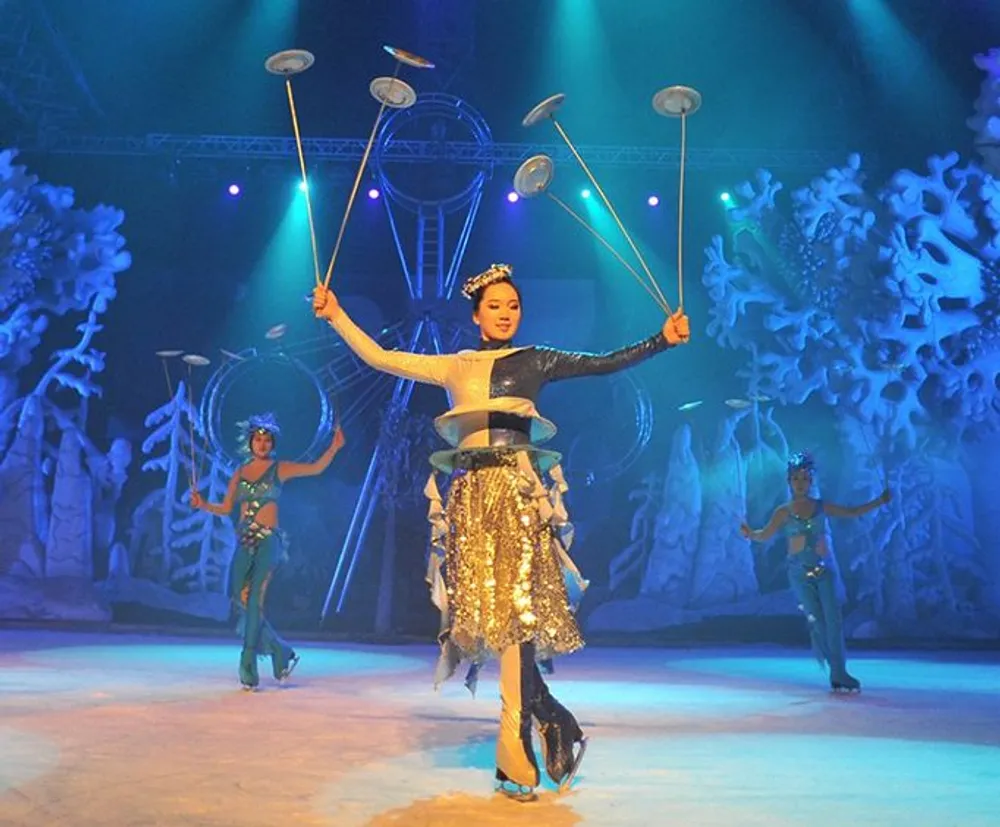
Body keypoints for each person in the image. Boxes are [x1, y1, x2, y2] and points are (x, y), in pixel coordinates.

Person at [312, 263, 689, 799]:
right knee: (493, 625)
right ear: (476, 314)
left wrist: (662, 341)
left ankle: (515, 755)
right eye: (495, 306)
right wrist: (336, 316)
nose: (506, 313)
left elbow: (604, 363)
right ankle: (555, 723)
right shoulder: (454, 365)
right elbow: (380, 357)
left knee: (516, 622)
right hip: (469, 503)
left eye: (513, 306)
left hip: (517, 498)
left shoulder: (536, 360)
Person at [191, 413, 345, 690]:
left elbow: (316, 468)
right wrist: (203, 503)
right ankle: (280, 650)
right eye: (257, 439)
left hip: (268, 542)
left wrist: (334, 447)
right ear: (250, 442)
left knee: (254, 603)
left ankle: (247, 663)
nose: (262, 444)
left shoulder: (280, 469)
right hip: (244, 542)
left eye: (266, 440)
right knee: (240, 600)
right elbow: (227, 508)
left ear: (272, 443)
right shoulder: (239, 472)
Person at [740, 451, 890, 693]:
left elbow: (852, 512)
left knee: (834, 622)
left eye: (805, 478)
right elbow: (765, 535)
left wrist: (879, 501)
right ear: (789, 481)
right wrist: (750, 533)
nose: (800, 483)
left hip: (825, 570)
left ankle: (840, 671)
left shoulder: (821, 506)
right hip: (799, 573)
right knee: (818, 622)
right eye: (796, 479)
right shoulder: (783, 511)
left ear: (811, 481)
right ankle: (835, 669)